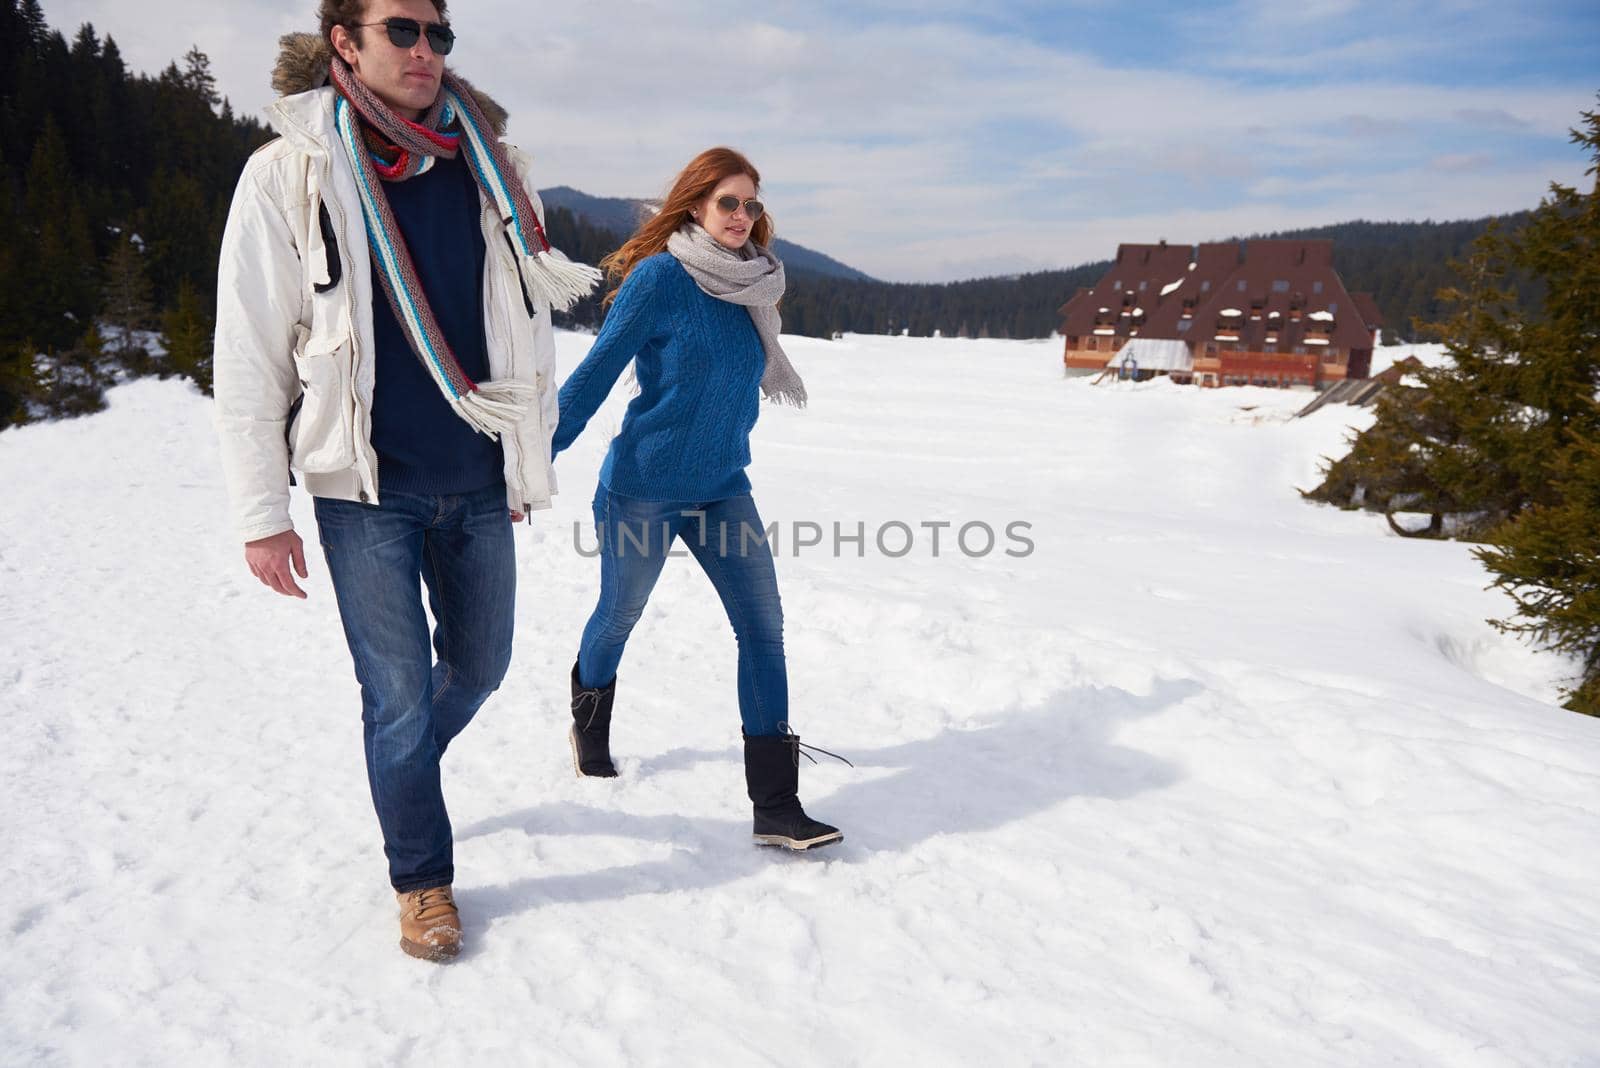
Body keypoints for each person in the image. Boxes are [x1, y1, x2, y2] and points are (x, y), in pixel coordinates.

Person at [212, 0, 597, 962]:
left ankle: (404, 770)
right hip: (363, 489)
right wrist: (264, 514)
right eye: (404, 31)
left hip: (477, 475)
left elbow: (526, 335)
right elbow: (251, 350)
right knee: (393, 697)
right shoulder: (289, 172)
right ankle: (422, 881)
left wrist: (525, 458)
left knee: (478, 668)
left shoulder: (492, 169)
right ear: (345, 41)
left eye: (440, 36)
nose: (426, 52)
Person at [552, 147, 846, 851]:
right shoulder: (660, 279)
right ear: (694, 207)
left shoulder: (755, 286)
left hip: (722, 489)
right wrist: (526, 462)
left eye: (753, 204)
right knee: (620, 614)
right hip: (643, 490)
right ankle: (588, 725)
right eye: (729, 203)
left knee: (763, 628)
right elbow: (593, 378)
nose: (744, 216)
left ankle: (775, 806)